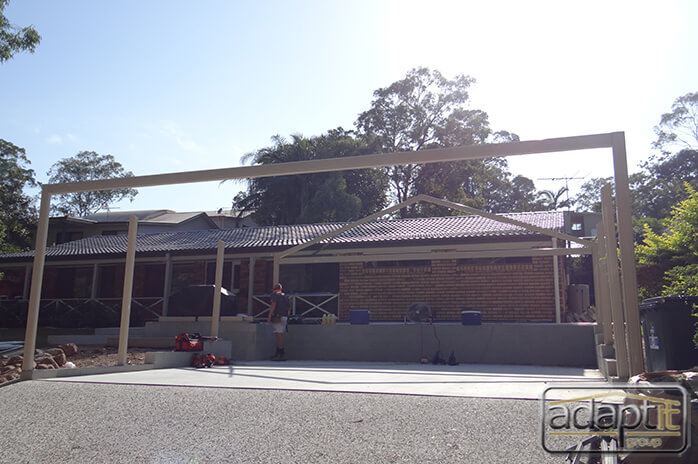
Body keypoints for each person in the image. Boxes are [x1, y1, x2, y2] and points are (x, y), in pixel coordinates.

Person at [267, 283, 290, 361]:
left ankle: (280, 353)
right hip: (284, 317)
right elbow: (289, 307)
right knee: (280, 335)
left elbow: (273, 304)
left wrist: (269, 316)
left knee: (278, 335)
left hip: (277, 317)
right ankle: (278, 353)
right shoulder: (285, 296)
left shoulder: (274, 295)